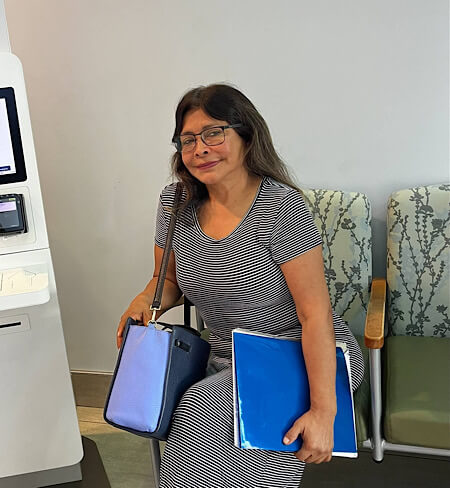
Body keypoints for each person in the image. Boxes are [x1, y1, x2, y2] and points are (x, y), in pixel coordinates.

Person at [116, 84, 364, 487]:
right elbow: (170, 281)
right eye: (188, 139)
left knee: (202, 412)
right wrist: (145, 299)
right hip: (229, 354)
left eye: (214, 133)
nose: (200, 149)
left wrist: (324, 411)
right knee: (201, 424)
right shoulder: (174, 203)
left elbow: (314, 314)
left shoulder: (283, 209)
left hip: (301, 349)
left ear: (247, 136)